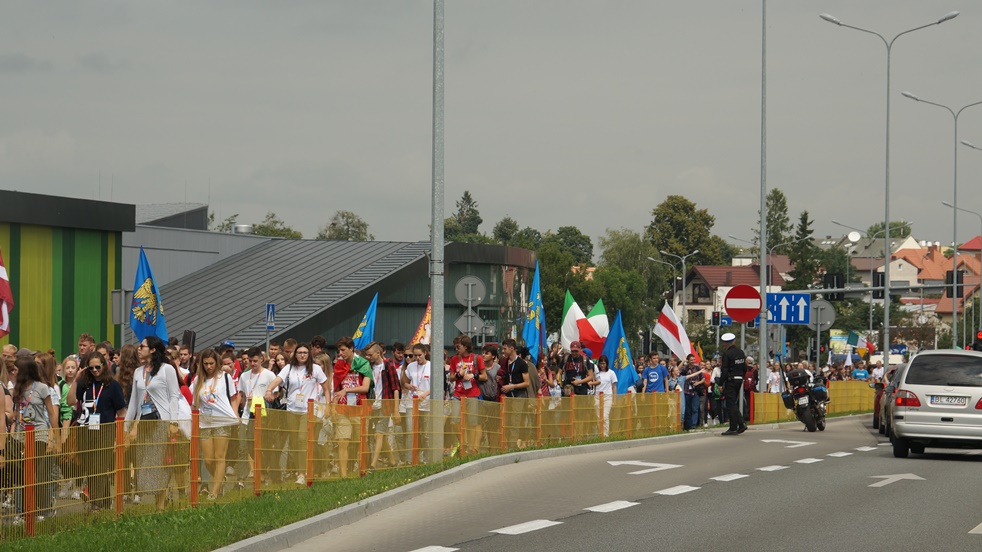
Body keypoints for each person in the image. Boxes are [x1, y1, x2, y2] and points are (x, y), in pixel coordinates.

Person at [125, 335, 184, 511]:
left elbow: (174, 396)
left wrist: (173, 422)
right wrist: (126, 426)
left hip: (161, 422)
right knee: (145, 462)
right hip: (143, 423)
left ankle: (160, 505)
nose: (138, 348)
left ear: (152, 350)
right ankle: (159, 499)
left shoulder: (167, 369)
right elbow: (134, 402)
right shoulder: (138, 372)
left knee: (160, 462)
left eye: (142, 346)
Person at [67, 351, 126, 511]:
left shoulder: (112, 386)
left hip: (105, 430)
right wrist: (76, 380)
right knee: (91, 466)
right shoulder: (85, 383)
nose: (94, 370)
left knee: (99, 466)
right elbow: (71, 400)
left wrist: (120, 434)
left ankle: (95, 502)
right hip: (85, 430)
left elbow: (121, 411)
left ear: (104, 366)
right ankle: (106, 502)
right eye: (91, 367)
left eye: (97, 367)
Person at [264, 343, 330, 485]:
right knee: (294, 443)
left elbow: (326, 388)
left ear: (309, 354)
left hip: (308, 410)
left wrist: (328, 406)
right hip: (292, 409)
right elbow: (278, 380)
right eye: (299, 352)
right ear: (295, 354)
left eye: (305, 352)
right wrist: (269, 389)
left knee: (302, 439)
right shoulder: (289, 368)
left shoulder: (316, 369)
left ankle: (302, 473)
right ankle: (300, 470)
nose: (302, 355)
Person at [9, 355, 61, 522]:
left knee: (33, 473)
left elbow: (52, 414)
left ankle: (40, 509)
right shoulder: (17, 388)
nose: (13, 372)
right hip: (20, 435)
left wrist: (57, 440)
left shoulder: (42, 388)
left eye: (16, 369)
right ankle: (24, 511)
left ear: (25, 370)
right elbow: (17, 413)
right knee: (22, 474)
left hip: (38, 434)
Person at [191, 349, 240, 499]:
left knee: (220, 456)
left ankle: (215, 491)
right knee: (208, 459)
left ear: (216, 363)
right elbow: (194, 404)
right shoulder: (197, 380)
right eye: (205, 364)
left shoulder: (224, 377)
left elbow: (234, 397)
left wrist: (235, 414)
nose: (208, 367)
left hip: (222, 420)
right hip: (205, 421)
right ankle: (221, 478)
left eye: (211, 363)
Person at [332, 337, 373, 477]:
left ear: (351, 349)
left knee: (361, 441)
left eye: (343, 350)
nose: (340, 353)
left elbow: (365, 387)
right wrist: (332, 407)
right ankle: (344, 475)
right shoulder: (338, 365)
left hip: (359, 408)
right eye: (339, 351)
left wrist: (347, 390)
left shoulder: (363, 363)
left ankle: (362, 470)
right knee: (343, 441)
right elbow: (336, 388)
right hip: (343, 409)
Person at [237, 347, 276, 483]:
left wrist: (265, 398)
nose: (252, 364)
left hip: (262, 416)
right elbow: (240, 394)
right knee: (242, 447)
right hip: (247, 416)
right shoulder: (244, 375)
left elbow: (274, 395)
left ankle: (264, 473)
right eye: (250, 361)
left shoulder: (269, 375)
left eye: (255, 361)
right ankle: (241, 479)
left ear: (261, 359)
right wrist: (237, 412)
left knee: (259, 447)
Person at [365, 342, 401, 471]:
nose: (368, 357)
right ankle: (392, 461)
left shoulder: (388, 366)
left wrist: (396, 410)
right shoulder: (368, 366)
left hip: (385, 405)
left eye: (370, 355)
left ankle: (373, 464)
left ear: (378, 353)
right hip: (371, 405)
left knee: (378, 434)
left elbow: (396, 388)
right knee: (380, 434)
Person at [449, 335, 487, 456]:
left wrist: (473, 376)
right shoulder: (454, 359)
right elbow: (450, 378)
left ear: (465, 346)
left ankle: (471, 448)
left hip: (472, 394)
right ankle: (463, 443)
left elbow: (484, 376)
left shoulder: (477, 358)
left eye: (458, 346)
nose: (456, 349)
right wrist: (458, 375)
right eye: (455, 347)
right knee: (454, 421)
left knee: (472, 422)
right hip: (458, 394)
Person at [400, 343, 431, 463]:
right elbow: (404, 381)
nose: (417, 358)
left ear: (425, 353)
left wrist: (425, 394)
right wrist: (408, 385)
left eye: (419, 355)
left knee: (426, 433)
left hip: (426, 403)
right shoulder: (411, 366)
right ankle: (410, 459)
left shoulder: (431, 366)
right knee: (410, 431)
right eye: (415, 355)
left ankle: (426, 459)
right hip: (412, 403)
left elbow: (437, 385)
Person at [499, 338, 530, 448]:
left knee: (515, 420)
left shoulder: (522, 363)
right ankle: (508, 443)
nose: (503, 351)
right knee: (507, 419)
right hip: (508, 395)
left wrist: (512, 386)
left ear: (512, 349)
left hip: (519, 395)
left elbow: (527, 383)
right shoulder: (504, 361)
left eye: (505, 349)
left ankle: (512, 446)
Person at [719, 333, 747, 436]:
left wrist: (720, 383)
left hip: (731, 381)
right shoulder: (741, 352)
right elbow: (744, 367)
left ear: (725, 343)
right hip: (739, 380)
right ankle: (738, 425)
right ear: (734, 341)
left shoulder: (727, 354)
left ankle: (737, 425)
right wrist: (742, 377)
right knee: (733, 403)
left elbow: (724, 370)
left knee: (730, 404)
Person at [591, 355, 618, 438]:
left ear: (606, 364)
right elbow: (594, 386)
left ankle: (605, 435)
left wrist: (614, 400)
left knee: (605, 416)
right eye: (601, 363)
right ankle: (600, 434)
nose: (602, 365)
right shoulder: (596, 373)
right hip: (597, 396)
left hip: (607, 397)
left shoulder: (611, 373)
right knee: (599, 417)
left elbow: (614, 387)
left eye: (604, 363)